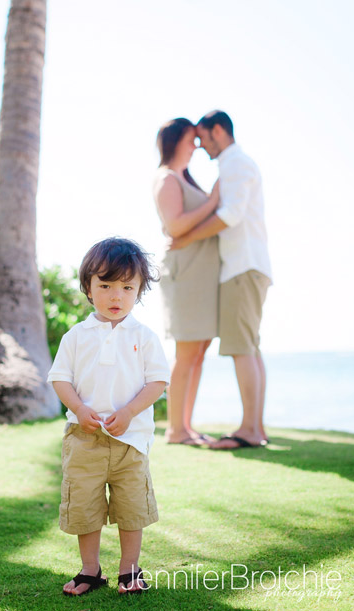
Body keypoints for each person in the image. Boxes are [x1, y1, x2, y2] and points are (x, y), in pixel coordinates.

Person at [48, 238, 170, 596]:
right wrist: (80, 409)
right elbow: (60, 379)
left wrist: (130, 411)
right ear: (88, 287)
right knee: (84, 506)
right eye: (105, 285)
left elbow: (158, 381)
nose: (116, 296)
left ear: (139, 291)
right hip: (84, 439)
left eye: (127, 287)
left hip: (130, 442)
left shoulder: (144, 337)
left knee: (132, 508)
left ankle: (129, 570)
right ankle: (90, 570)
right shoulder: (76, 336)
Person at [171, 110, 272, 450]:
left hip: (242, 268)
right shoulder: (234, 164)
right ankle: (254, 427)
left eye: (202, 138)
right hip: (247, 267)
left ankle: (249, 431)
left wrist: (187, 238)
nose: (200, 146)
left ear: (218, 131)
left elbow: (230, 215)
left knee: (242, 349)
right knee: (250, 349)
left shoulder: (235, 163)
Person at [151, 118, 221, 446]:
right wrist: (211, 202)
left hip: (203, 276)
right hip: (184, 274)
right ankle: (175, 430)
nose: (196, 146)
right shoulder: (166, 179)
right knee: (186, 350)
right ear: (176, 140)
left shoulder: (185, 178)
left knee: (199, 350)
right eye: (192, 139)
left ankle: (186, 427)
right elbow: (176, 226)